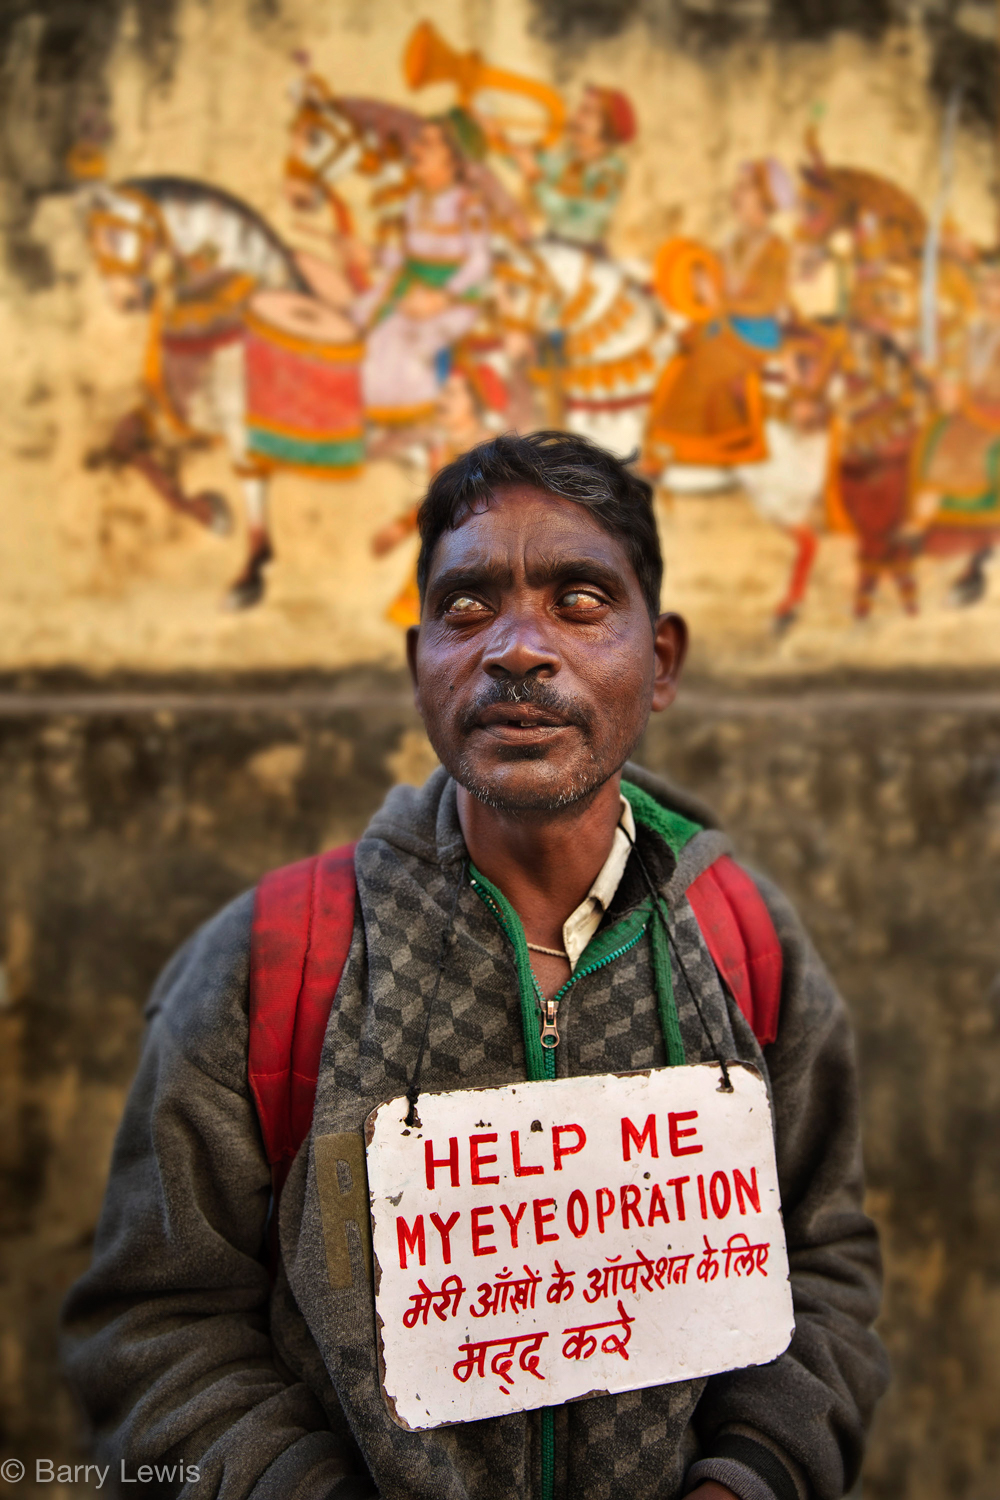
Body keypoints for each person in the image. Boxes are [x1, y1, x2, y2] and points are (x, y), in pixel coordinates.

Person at [62, 431, 888, 1500]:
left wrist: (748, 1477)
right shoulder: (271, 962)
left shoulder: (743, 942)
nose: (516, 649)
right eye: (466, 607)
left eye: (580, 600)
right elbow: (156, 1328)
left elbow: (822, 1268)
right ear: (419, 668)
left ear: (663, 659)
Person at [644, 159, 792, 472]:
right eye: (739, 187)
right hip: (722, 324)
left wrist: (720, 302)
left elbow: (767, 301)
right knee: (678, 357)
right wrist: (697, 280)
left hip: (755, 332)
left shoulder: (775, 248)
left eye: (746, 188)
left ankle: (688, 448)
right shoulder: (732, 241)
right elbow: (713, 278)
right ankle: (668, 443)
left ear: (764, 200)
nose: (737, 193)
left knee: (703, 366)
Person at [355, 112, 492, 426]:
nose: (415, 149)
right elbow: (409, 260)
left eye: (428, 143)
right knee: (355, 323)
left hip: (454, 300)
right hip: (409, 290)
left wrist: (441, 299)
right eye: (418, 140)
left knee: (397, 346)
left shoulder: (467, 205)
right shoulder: (414, 201)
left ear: (453, 159)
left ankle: (416, 428)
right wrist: (372, 256)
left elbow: (479, 263)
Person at [510, 85, 636, 253]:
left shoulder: (612, 170)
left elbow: (569, 217)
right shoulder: (572, 157)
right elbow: (533, 161)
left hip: (582, 253)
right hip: (553, 243)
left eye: (587, 112)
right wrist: (499, 139)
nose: (576, 117)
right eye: (580, 109)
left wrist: (533, 174)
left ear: (606, 130)